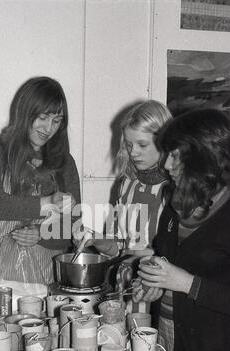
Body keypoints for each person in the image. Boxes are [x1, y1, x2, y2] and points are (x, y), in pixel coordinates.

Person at [133, 108, 230, 351]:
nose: (166, 164)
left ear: (207, 158)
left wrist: (185, 283)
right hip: (169, 343)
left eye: (176, 156)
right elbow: (167, 259)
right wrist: (151, 281)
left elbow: (188, 278)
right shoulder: (176, 201)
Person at [0, 76, 80, 304]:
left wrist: (41, 234)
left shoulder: (65, 163)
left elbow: (72, 224)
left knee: (36, 337)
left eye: (57, 120)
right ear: (24, 112)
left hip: (40, 278)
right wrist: (47, 203)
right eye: (42, 117)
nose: (48, 128)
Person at [73, 100, 172, 320]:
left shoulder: (176, 188)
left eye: (142, 144)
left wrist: (144, 258)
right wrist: (96, 240)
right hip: (124, 288)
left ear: (165, 142)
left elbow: (182, 256)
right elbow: (119, 248)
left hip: (159, 291)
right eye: (128, 144)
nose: (133, 152)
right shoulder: (125, 185)